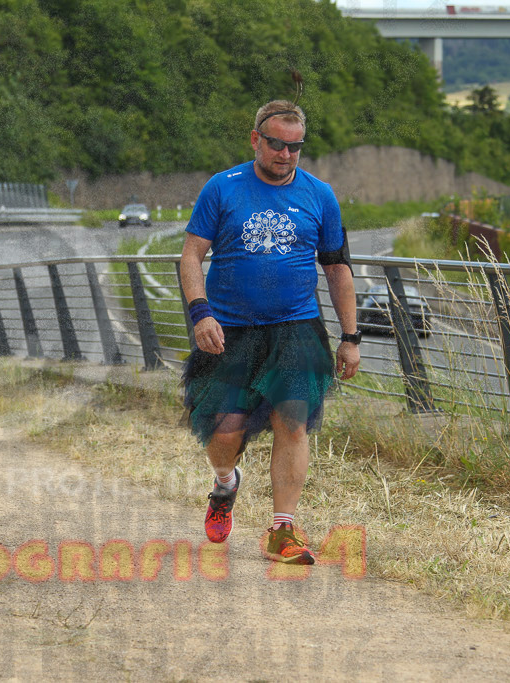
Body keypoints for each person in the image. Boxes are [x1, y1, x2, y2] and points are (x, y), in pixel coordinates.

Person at [178, 100, 361, 566]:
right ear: (256, 139)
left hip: (296, 328)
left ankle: (283, 530)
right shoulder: (222, 188)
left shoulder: (320, 195)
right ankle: (225, 484)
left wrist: (351, 336)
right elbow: (191, 256)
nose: (285, 154)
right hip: (230, 329)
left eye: (295, 147)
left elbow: (338, 268)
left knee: (292, 421)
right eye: (277, 144)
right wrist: (201, 313)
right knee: (224, 433)